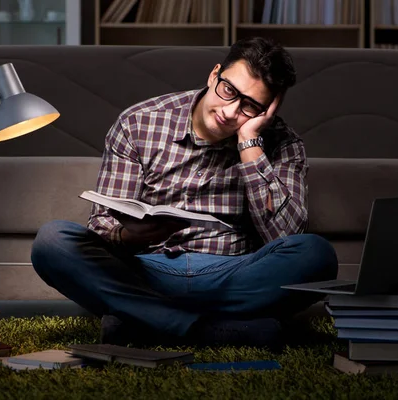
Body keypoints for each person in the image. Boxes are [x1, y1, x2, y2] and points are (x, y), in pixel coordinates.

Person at [31, 36, 338, 349]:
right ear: (214, 74)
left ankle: (143, 321)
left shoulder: (284, 144)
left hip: (232, 274)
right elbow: (101, 226)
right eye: (229, 90)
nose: (230, 112)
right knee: (52, 242)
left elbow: (285, 237)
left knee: (316, 256)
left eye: (249, 106)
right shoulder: (138, 123)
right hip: (147, 269)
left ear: (266, 111)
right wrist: (131, 236)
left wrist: (249, 144)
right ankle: (210, 330)